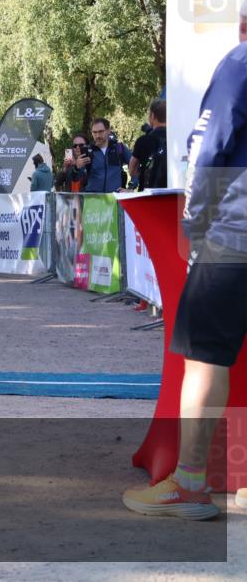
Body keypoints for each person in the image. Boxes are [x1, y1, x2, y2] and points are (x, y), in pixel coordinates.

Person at [122, 36, 247, 520]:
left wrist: (194, 225)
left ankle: (191, 483)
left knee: (202, 358)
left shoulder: (239, 62)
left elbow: (208, 147)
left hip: (234, 235)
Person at [74, 118, 133, 193]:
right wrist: (77, 168)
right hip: (92, 200)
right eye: (94, 132)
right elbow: (75, 179)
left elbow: (135, 166)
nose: (97, 135)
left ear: (108, 131)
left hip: (114, 199)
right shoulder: (88, 151)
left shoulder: (119, 148)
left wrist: (131, 187)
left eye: (101, 131)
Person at [130, 99, 168, 191]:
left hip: (148, 194)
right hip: (171, 194)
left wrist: (145, 171)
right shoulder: (175, 139)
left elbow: (132, 169)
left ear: (152, 116)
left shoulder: (143, 141)